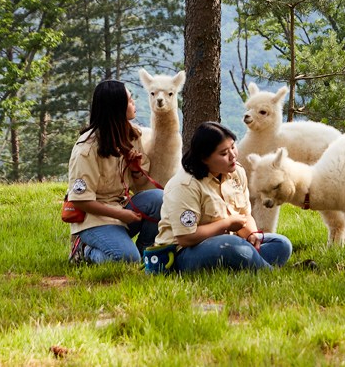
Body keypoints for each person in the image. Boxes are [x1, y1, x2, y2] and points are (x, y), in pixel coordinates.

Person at [143, 122, 293, 274]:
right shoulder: (185, 185)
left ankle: (244, 263)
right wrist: (226, 224)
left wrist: (253, 235)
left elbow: (245, 215)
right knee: (232, 246)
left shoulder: (236, 172)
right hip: (182, 255)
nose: (232, 155)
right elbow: (185, 238)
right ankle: (270, 272)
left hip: (226, 244)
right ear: (204, 158)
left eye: (233, 147)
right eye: (223, 153)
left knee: (281, 244)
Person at [66, 80, 164, 264]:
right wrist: (121, 215)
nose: (134, 103)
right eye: (129, 100)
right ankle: (84, 250)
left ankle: (145, 254)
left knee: (160, 198)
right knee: (125, 259)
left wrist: (135, 169)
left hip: (121, 207)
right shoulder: (86, 149)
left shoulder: (131, 136)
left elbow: (140, 187)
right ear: (116, 107)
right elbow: (81, 201)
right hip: (94, 219)